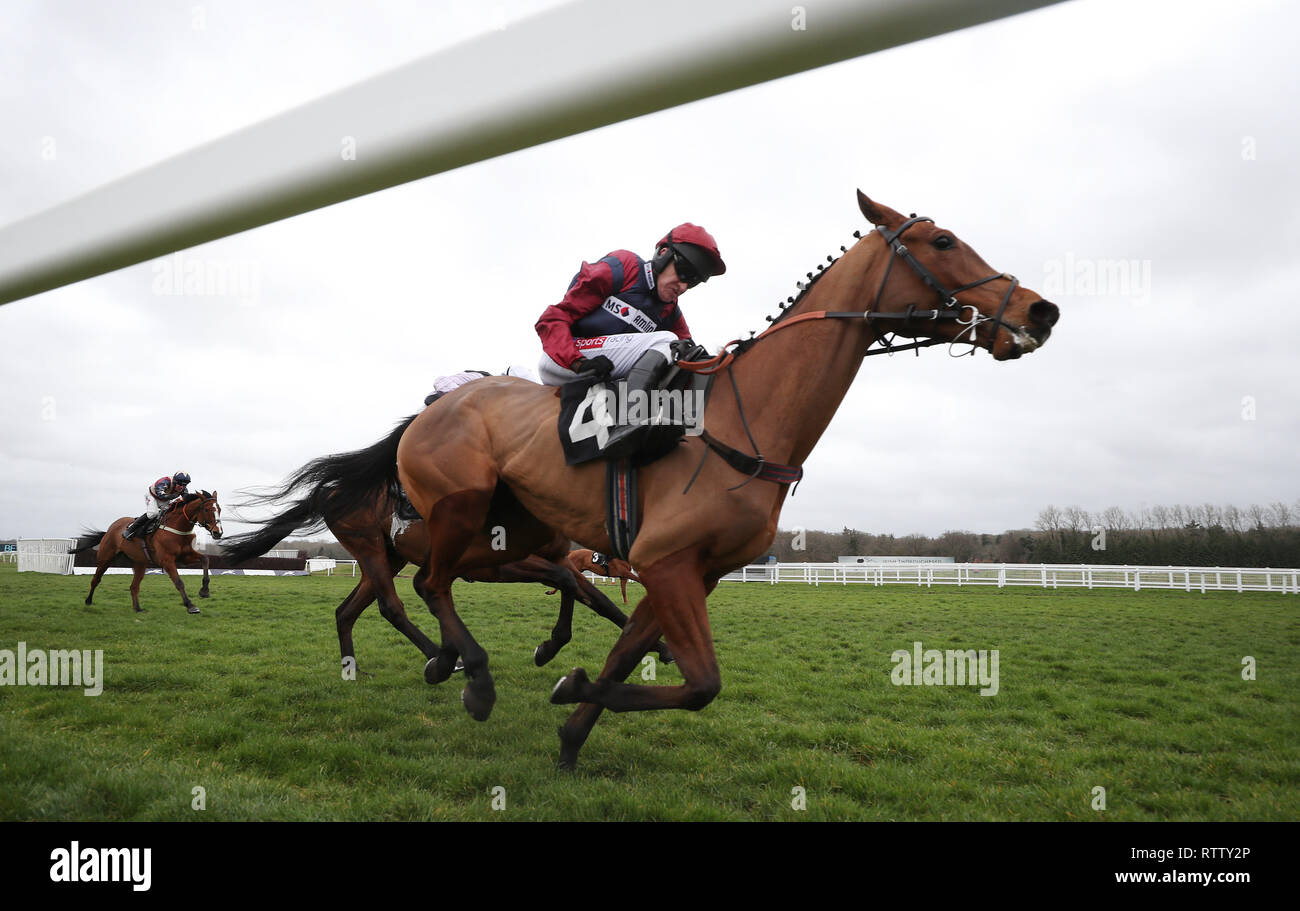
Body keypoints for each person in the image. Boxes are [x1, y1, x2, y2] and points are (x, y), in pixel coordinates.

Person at [534, 224, 725, 452]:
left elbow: (693, 359)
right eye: (683, 272)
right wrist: (578, 362)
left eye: (692, 281)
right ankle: (629, 425)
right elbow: (552, 318)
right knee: (668, 342)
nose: (683, 286)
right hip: (564, 360)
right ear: (663, 254)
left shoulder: (670, 312)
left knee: (683, 357)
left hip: (601, 378)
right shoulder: (624, 267)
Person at [123, 471, 191, 540]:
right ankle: (130, 529)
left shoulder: (183, 489)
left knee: (169, 513)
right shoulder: (165, 481)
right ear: (175, 481)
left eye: (184, 485)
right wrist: (175, 497)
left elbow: (186, 500)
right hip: (152, 496)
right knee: (153, 513)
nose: (182, 487)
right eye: (180, 484)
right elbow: (161, 495)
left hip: (164, 500)